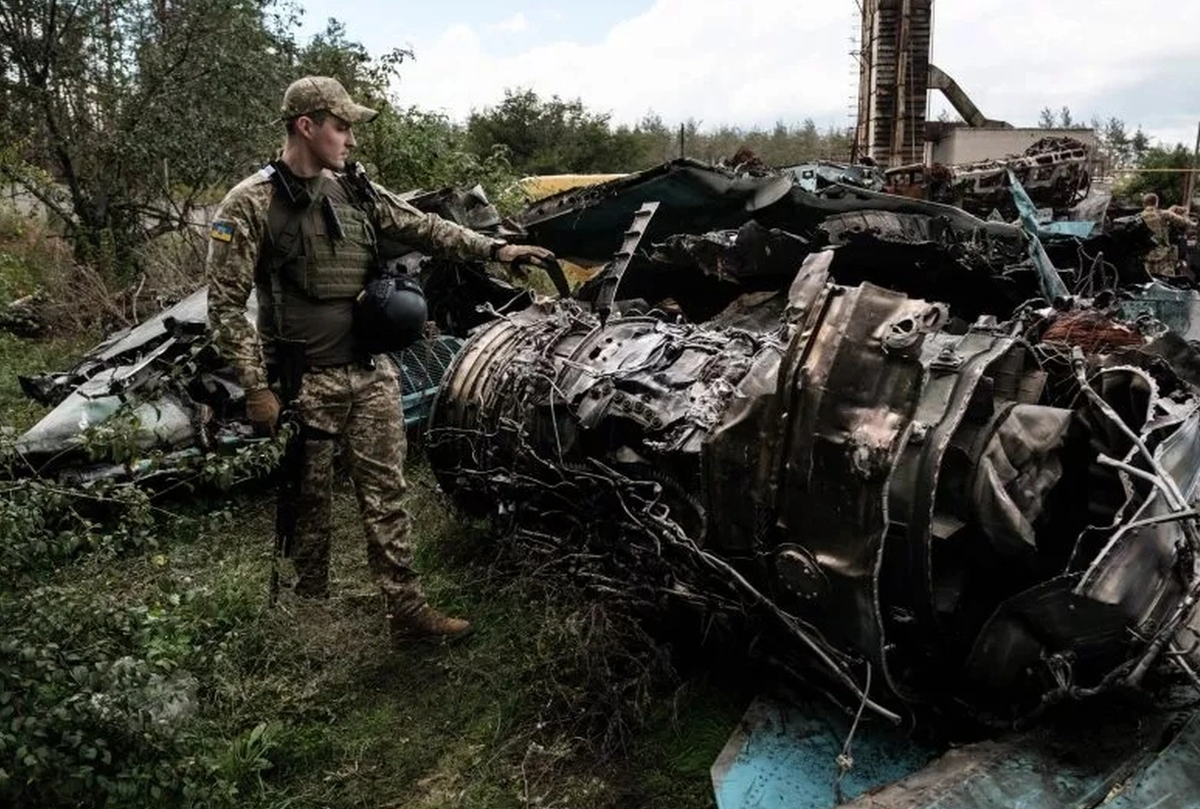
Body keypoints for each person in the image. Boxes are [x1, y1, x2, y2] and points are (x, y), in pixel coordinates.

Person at [205, 76, 555, 643]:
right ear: (307, 126)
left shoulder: (356, 191)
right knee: (309, 505)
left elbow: (426, 227)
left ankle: (407, 612)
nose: (349, 139)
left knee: (387, 495)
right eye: (341, 126)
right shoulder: (249, 204)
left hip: (370, 372)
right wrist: (255, 388)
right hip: (303, 383)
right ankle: (307, 617)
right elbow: (222, 306)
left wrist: (497, 248)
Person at [1141, 193, 1195, 278]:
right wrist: (1186, 215)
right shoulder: (1164, 214)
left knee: (1149, 280)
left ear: (1143, 204)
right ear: (1157, 203)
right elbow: (1185, 223)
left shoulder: (1139, 216)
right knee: (1167, 281)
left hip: (1146, 255)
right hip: (1163, 255)